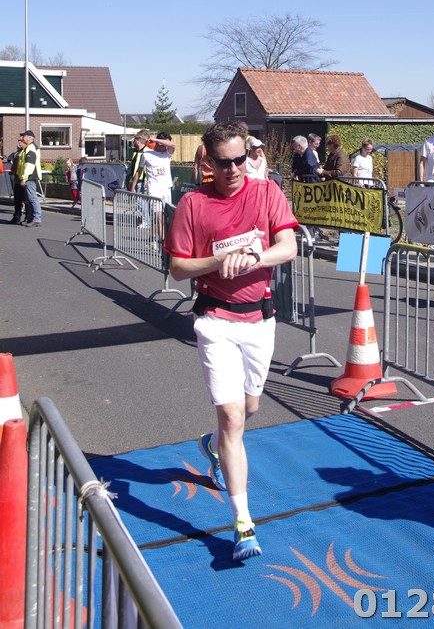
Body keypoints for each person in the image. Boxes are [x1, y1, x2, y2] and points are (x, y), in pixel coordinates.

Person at [165, 121, 298, 561]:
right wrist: (218, 259)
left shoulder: (267, 192)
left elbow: (289, 246)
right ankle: (243, 525)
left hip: (259, 321)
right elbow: (178, 268)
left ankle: (213, 445)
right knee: (232, 417)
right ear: (209, 161)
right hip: (215, 321)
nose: (234, 169)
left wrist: (255, 256)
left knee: (250, 408)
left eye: (240, 159)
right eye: (224, 163)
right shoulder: (193, 203)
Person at [16, 129, 42, 227]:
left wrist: (24, 178)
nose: (22, 138)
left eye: (24, 136)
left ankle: (36, 219)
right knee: (29, 199)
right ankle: (31, 218)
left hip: (30, 177)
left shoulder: (31, 148)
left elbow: (29, 165)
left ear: (28, 137)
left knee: (32, 198)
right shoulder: (29, 148)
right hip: (29, 177)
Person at [7, 137, 26, 224]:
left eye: (21, 141)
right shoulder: (16, 153)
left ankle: (28, 217)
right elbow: (9, 158)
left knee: (25, 198)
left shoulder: (25, 152)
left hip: (23, 178)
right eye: (18, 141)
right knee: (17, 199)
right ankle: (16, 216)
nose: (19, 143)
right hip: (16, 177)